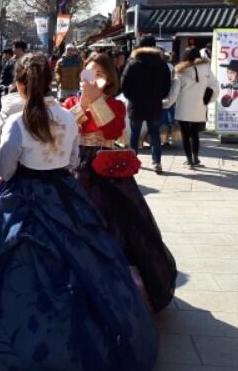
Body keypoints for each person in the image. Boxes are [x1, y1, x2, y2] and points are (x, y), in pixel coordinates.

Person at [0, 53, 159, 370]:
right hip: (64, 194)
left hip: (23, 195)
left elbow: (4, 169)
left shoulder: (18, 121)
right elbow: (72, 160)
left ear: (20, 85)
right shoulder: (67, 117)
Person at [64, 52, 177, 312]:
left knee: (119, 222)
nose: (92, 80)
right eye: (89, 74)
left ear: (110, 79)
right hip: (75, 165)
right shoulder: (70, 101)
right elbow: (64, 130)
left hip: (105, 169)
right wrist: (83, 104)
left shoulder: (116, 105)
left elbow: (113, 132)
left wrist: (95, 102)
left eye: (99, 75)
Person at [121, 35, 171, 173]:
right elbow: (167, 84)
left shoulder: (133, 62)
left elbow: (124, 82)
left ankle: (132, 161)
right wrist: (161, 96)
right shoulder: (161, 64)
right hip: (154, 103)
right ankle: (157, 162)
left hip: (136, 103)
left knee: (135, 133)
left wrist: (129, 96)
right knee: (155, 133)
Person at [164, 46, 220, 168]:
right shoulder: (206, 69)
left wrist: (165, 103)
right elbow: (215, 87)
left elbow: (174, 93)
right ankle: (196, 158)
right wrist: (207, 101)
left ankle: (189, 160)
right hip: (199, 107)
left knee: (185, 135)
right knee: (195, 134)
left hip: (183, 108)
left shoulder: (180, 71)